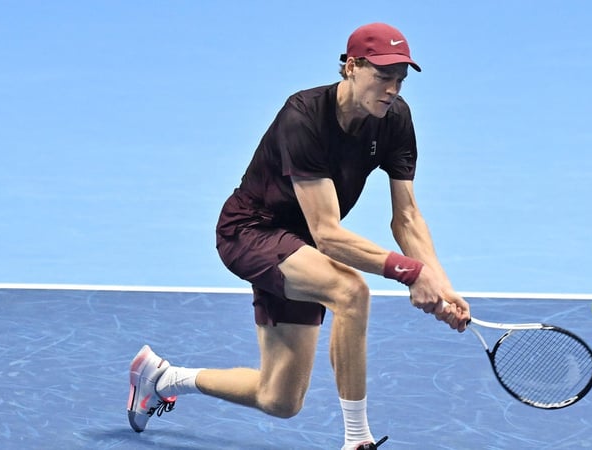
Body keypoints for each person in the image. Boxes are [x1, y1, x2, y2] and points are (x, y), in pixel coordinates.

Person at [126, 22, 471, 450]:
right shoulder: (304, 116)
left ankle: (160, 378)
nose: (393, 89)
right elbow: (328, 235)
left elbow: (407, 217)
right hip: (251, 231)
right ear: (351, 66)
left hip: (298, 248)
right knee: (350, 291)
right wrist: (408, 272)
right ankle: (357, 440)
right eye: (383, 76)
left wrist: (439, 281)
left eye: (400, 79)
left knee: (280, 399)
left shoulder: (395, 119)